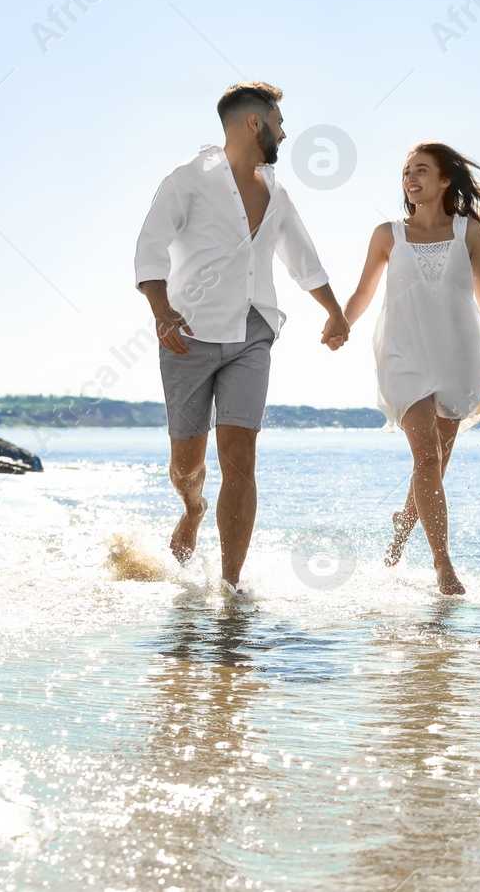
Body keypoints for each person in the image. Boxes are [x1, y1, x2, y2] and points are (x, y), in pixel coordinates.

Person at [134, 81, 349, 598]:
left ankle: (230, 587)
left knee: (240, 454)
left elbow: (303, 256)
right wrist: (162, 313)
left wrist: (335, 311)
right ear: (255, 123)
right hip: (188, 334)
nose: (284, 132)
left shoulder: (276, 189)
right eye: (278, 122)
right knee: (187, 465)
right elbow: (150, 247)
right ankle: (192, 507)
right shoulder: (187, 179)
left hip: (254, 331)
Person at [342, 143, 480, 595]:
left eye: (421, 170)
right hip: (403, 356)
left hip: (456, 356)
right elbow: (364, 291)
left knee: (434, 464)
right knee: (426, 458)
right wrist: (340, 322)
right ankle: (444, 568)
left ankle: (404, 525)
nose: (411, 178)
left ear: (445, 180)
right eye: (406, 172)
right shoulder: (388, 234)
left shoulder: (469, 233)